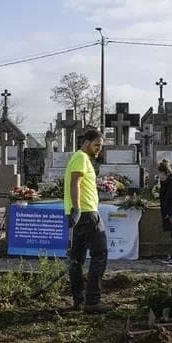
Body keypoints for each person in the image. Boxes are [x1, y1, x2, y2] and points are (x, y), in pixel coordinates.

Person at [64, 129, 112, 314]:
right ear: (86, 142)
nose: (99, 149)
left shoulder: (80, 158)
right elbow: (74, 182)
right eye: (97, 145)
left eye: (100, 145)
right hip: (87, 213)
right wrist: (77, 209)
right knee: (100, 254)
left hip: (81, 214)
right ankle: (92, 301)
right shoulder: (81, 158)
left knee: (76, 259)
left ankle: (79, 300)